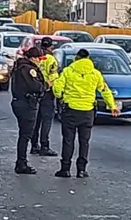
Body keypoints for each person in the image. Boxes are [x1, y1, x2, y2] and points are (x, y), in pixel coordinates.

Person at [52, 48, 119, 178]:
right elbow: (105, 90)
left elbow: (57, 88)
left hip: (71, 110)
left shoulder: (68, 71)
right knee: (84, 142)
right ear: (88, 59)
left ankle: (65, 169)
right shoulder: (95, 73)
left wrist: (60, 96)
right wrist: (112, 106)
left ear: (76, 58)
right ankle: (81, 170)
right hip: (88, 112)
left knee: (68, 141)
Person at [10, 47, 47, 174]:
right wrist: (45, 86)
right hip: (27, 104)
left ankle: (21, 162)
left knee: (24, 134)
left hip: (20, 102)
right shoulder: (28, 69)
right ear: (33, 58)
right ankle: (21, 163)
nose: (40, 62)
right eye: (39, 59)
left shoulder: (20, 67)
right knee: (25, 135)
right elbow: (35, 86)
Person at [30, 36, 59, 156]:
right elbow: (54, 77)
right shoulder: (51, 60)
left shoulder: (36, 58)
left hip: (36, 92)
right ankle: (44, 146)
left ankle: (34, 145)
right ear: (51, 46)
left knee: (36, 120)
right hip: (47, 92)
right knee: (46, 120)